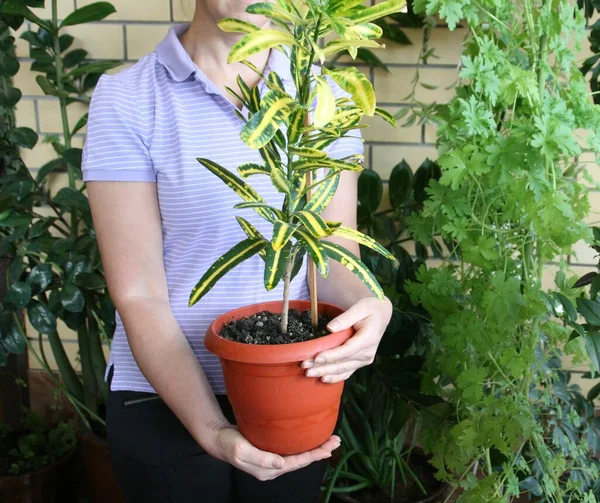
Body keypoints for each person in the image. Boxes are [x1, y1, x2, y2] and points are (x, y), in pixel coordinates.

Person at [82, 0, 393, 501]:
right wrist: (211, 429)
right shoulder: (129, 98)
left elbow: (330, 252)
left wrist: (372, 306)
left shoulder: (324, 96)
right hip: (162, 401)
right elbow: (138, 293)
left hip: (290, 390)